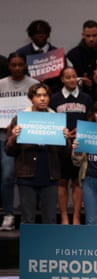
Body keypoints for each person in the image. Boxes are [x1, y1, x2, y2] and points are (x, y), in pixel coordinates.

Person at [5, 83, 69, 224]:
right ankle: (29, 247)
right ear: (31, 99)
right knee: (28, 219)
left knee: (50, 220)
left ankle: (49, 247)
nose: (42, 99)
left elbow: (64, 155)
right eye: (38, 95)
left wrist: (66, 140)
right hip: (27, 175)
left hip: (50, 175)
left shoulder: (56, 119)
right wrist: (14, 137)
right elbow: (9, 150)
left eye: (45, 95)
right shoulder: (20, 119)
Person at [0, 53, 39, 231]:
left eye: (20, 65)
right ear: (9, 66)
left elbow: (40, 109)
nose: (17, 68)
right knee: (7, 175)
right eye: (13, 65)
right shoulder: (1, 84)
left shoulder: (33, 84)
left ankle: (29, 215)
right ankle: (8, 214)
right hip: (5, 137)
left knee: (31, 176)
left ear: (25, 66)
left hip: (29, 139)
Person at [50, 67, 93, 225]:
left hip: (80, 144)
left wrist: (81, 132)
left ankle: (75, 216)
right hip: (61, 145)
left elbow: (90, 120)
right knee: (62, 181)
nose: (71, 80)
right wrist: (62, 133)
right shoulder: (54, 99)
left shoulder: (86, 98)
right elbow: (50, 122)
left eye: (74, 76)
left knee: (77, 181)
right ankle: (63, 216)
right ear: (62, 79)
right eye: (67, 77)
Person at [66, 20, 97, 99]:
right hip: (79, 97)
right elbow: (67, 78)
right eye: (88, 36)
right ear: (83, 35)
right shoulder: (73, 55)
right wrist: (81, 81)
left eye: (94, 35)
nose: (91, 39)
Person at [16, 20, 62, 93]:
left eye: (44, 32)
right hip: (27, 93)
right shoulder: (21, 53)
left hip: (53, 93)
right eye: (37, 33)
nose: (40, 35)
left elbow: (62, 78)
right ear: (30, 35)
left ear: (48, 34)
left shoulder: (57, 54)